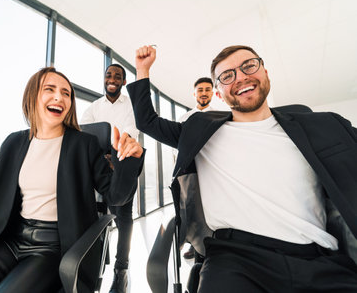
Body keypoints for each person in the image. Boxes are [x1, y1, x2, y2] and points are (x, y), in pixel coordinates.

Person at [128, 45, 357, 292]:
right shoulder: (199, 132)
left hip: (318, 259)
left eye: (248, 66)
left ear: (266, 72)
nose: (240, 77)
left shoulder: (324, 126)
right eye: (227, 76)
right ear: (219, 93)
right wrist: (143, 70)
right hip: (235, 260)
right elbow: (147, 121)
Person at [0, 67, 145, 293]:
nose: (59, 97)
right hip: (7, 241)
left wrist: (130, 161)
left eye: (66, 93)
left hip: (53, 248)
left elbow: (117, 197)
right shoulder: (13, 143)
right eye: (49, 90)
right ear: (32, 96)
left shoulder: (84, 144)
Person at [80, 63, 138, 293]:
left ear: (123, 82)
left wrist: (116, 152)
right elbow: (84, 132)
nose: (112, 79)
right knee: (97, 218)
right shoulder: (93, 107)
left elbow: (131, 130)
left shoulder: (131, 106)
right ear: (104, 80)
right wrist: (101, 157)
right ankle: (96, 265)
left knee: (123, 218)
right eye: (108, 75)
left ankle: (121, 268)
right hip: (97, 168)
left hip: (123, 167)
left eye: (117, 76)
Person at [179, 77, 214, 261]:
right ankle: (194, 245)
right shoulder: (185, 118)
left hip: (211, 170)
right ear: (194, 93)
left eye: (207, 89)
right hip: (190, 170)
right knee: (190, 208)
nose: (204, 93)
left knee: (209, 208)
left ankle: (210, 247)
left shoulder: (219, 115)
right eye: (200, 90)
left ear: (213, 93)